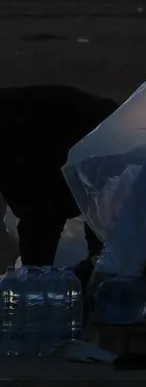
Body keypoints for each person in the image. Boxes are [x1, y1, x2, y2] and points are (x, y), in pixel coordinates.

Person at [0, 85, 118, 275]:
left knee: (107, 257)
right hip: (95, 138)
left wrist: (33, 279)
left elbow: (40, 217)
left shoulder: (14, 138)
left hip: (101, 143)